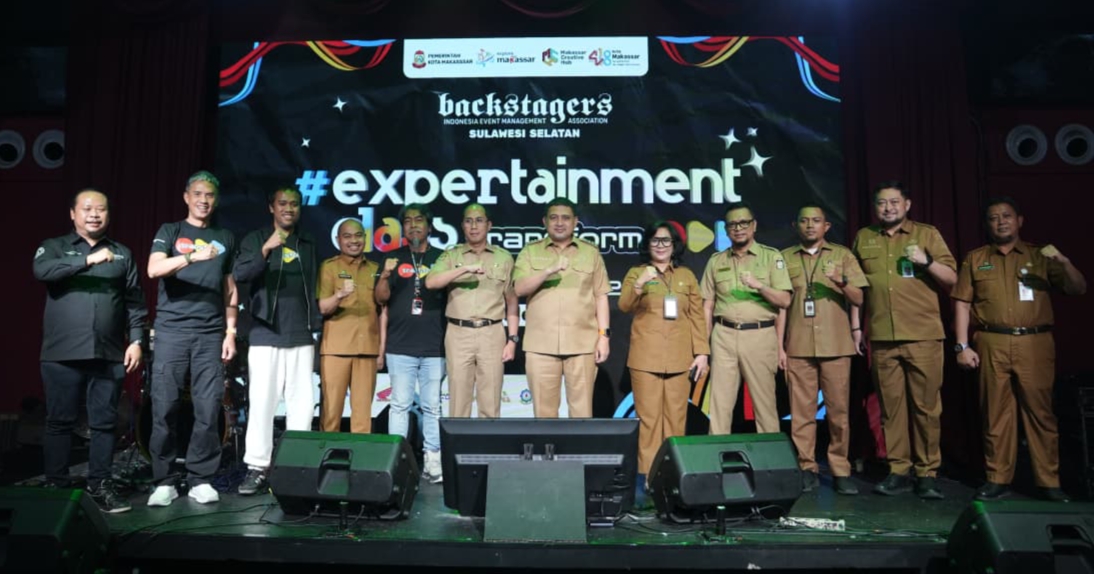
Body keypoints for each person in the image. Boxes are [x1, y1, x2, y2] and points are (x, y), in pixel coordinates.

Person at [952, 197, 1086, 502]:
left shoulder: (1040, 256)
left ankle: (1049, 481)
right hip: (991, 341)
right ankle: (997, 478)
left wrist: (1064, 262)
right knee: (995, 413)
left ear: (1019, 221)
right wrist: (962, 345)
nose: (1001, 222)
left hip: (1034, 342)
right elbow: (962, 303)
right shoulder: (976, 259)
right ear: (987, 225)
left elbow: (1078, 288)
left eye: (1007, 216)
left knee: (1040, 413)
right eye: (994, 218)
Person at [33, 189, 147, 513]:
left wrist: (136, 341)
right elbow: (42, 271)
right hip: (62, 353)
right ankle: (56, 486)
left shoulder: (122, 253)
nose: (94, 214)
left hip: (108, 353)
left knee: (104, 423)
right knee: (59, 421)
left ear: (109, 214)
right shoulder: (54, 247)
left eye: (101, 209)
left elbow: (135, 302)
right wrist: (87, 260)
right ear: (73, 214)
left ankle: (100, 486)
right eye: (87, 209)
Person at [852, 180, 956, 499]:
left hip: (923, 336)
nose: (888, 208)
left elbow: (953, 280)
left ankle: (927, 473)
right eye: (882, 203)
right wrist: (857, 328)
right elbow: (857, 289)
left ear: (907, 204)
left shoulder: (927, 234)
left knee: (926, 408)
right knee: (891, 409)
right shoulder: (864, 237)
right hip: (882, 337)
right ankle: (898, 470)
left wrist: (927, 261)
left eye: (894, 202)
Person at [146, 170, 238, 507]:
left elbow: (230, 289)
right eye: (198, 194)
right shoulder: (170, 231)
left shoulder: (224, 236)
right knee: (164, 406)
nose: (203, 200)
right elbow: (153, 269)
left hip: (210, 334)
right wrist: (189, 256)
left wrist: (231, 332)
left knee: (208, 407)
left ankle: (201, 478)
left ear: (216, 200)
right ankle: (164, 480)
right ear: (186, 197)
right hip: (171, 331)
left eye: (209, 195)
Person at [233, 186, 322, 496]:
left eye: (294, 204)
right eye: (282, 203)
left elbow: (313, 286)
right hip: (265, 333)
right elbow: (241, 274)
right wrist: (266, 249)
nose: (289, 208)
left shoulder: (307, 242)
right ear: (271, 207)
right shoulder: (255, 239)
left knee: (302, 406)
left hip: (300, 334)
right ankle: (258, 467)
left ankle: (297, 465)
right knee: (262, 404)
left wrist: (315, 324)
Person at [776, 205, 867, 495]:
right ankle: (807, 467)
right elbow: (780, 305)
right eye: (804, 221)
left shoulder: (842, 255)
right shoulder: (784, 258)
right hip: (798, 345)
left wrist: (840, 280)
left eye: (816, 221)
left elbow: (859, 297)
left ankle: (840, 470)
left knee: (838, 413)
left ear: (826, 226)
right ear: (796, 226)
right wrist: (780, 346)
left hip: (835, 345)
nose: (810, 225)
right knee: (800, 413)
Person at [618, 221, 708, 482]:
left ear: (674, 245)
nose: (660, 245)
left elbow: (697, 317)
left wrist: (702, 353)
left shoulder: (686, 276)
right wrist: (640, 283)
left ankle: (672, 476)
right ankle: (647, 478)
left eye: (666, 240)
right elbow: (624, 305)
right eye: (655, 240)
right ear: (648, 244)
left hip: (680, 359)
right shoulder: (637, 273)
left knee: (676, 420)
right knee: (648, 420)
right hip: (645, 358)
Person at [513, 198, 611, 418]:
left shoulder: (590, 252)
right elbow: (519, 288)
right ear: (545, 222)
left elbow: (601, 295)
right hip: (541, 345)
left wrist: (604, 337)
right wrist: (548, 270)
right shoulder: (530, 251)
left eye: (565, 218)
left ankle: (579, 444)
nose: (559, 223)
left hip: (582, 344)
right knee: (544, 414)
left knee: (582, 413)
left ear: (575, 221)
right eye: (554, 218)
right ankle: (547, 444)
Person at [700, 202, 792, 435]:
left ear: (754, 225)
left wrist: (759, 286)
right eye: (732, 224)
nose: (738, 228)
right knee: (719, 405)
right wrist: (704, 346)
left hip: (760, 335)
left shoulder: (771, 257)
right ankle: (715, 454)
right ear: (726, 230)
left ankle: (769, 456)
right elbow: (707, 306)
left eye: (743, 223)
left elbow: (784, 301)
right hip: (724, 335)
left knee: (764, 404)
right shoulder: (716, 261)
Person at [375, 203, 447, 483]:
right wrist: (384, 275)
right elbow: (380, 299)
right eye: (407, 221)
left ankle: (433, 460)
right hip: (400, 345)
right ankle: (396, 461)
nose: (413, 225)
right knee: (399, 405)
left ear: (429, 226)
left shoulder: (442, 258)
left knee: (432, 407)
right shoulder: (392, 258)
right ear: (402, 228)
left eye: (419, 220)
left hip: (434, 345)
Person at [426, 204, 519, 418]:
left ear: (489, 225)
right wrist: (464, 269)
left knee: (491, 401)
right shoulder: (451, 256)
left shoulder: (504, 258)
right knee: (458, 401)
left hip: (492, 332)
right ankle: (457, 442)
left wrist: (512, 340)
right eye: (469, 221)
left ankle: (487, 441)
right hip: (458, 332)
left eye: (479, 221)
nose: (474, 226)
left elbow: (512, 300)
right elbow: (431, 282)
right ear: (462, 226)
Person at [317, 219, 385, 434]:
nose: (353, 241)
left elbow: (383, 311)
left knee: (363, 418)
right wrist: (339, 295)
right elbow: (323, 308)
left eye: (358, 235)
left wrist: (381, 350)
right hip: (336, 349)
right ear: (338, 240)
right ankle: (326, 453)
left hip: (367, 350)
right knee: (331, 414)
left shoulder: (375, 269)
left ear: (365, 238)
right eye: (347, 236)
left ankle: (361, 455)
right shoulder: (329, 267)